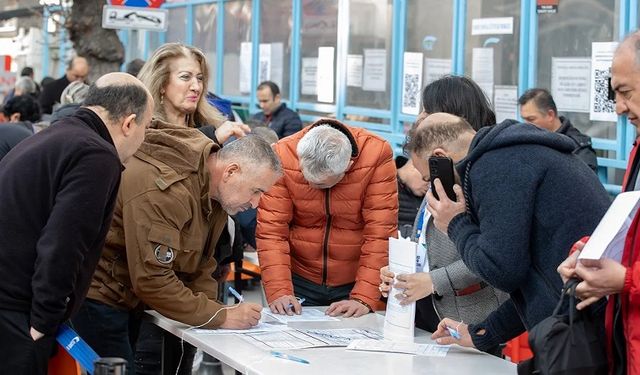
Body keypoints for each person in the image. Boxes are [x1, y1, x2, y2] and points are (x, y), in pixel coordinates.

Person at [73, 42, 266, 374]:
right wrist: (213, 313)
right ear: (161, 83)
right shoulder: (146, 143)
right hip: (129, 286)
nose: (196, 86)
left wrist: (209, 309)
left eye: (200, 77)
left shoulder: (214, 141)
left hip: (172, 286)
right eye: (186, 76)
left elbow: (204, 249)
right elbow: (150, 275)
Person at [405, 113, 610, 354]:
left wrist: (455, 224)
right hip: (585, 317)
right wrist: (483, 333)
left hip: (588, 329)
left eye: (431, 178)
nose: (431, 187)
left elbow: (501, 270)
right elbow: (531, 278)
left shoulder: (495, 168)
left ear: (440, 158)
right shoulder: (513, 155)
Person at [0, 72, 153, 375]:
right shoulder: (96, 154)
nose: (144, 138)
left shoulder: (55, 136)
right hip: (16, 311)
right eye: (146, 128)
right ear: (128, 123)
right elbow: (64, 243)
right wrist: (43, 321)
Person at [380, 76, 504, 342]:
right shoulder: (441, 170)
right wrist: (402, 273)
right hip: (427, 312)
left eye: (426, 112)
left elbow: (495, 255)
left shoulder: (484, 177)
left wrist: (434, 280)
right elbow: (426, 238)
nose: (419, 119)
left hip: (471, 316)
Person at [557, 31, 640, 375]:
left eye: (625, 92)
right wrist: (587, 253)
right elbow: (629, 231)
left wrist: (626, 280)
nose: (619, 107)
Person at [256, 119, 398, 318]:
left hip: (355, 279)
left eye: (322, 185)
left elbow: (380, 233)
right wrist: (279, 290)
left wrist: (364, 297)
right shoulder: (283, 153)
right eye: (307, 180)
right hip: (299, 279)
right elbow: (272, 231)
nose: (313, 187)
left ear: (347, 166)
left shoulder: (377, 153)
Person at [519, 88, 598, 172]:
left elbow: (586, 183)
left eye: (531, 119)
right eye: (524, 119)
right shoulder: (528, 140)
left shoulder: (578, 148)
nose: (525, 125)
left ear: (550, 115)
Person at [395, 155, 427, 235]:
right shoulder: (382, 186)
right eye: (427, 178)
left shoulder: (425, 196)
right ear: (415, 165)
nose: (429, 186)